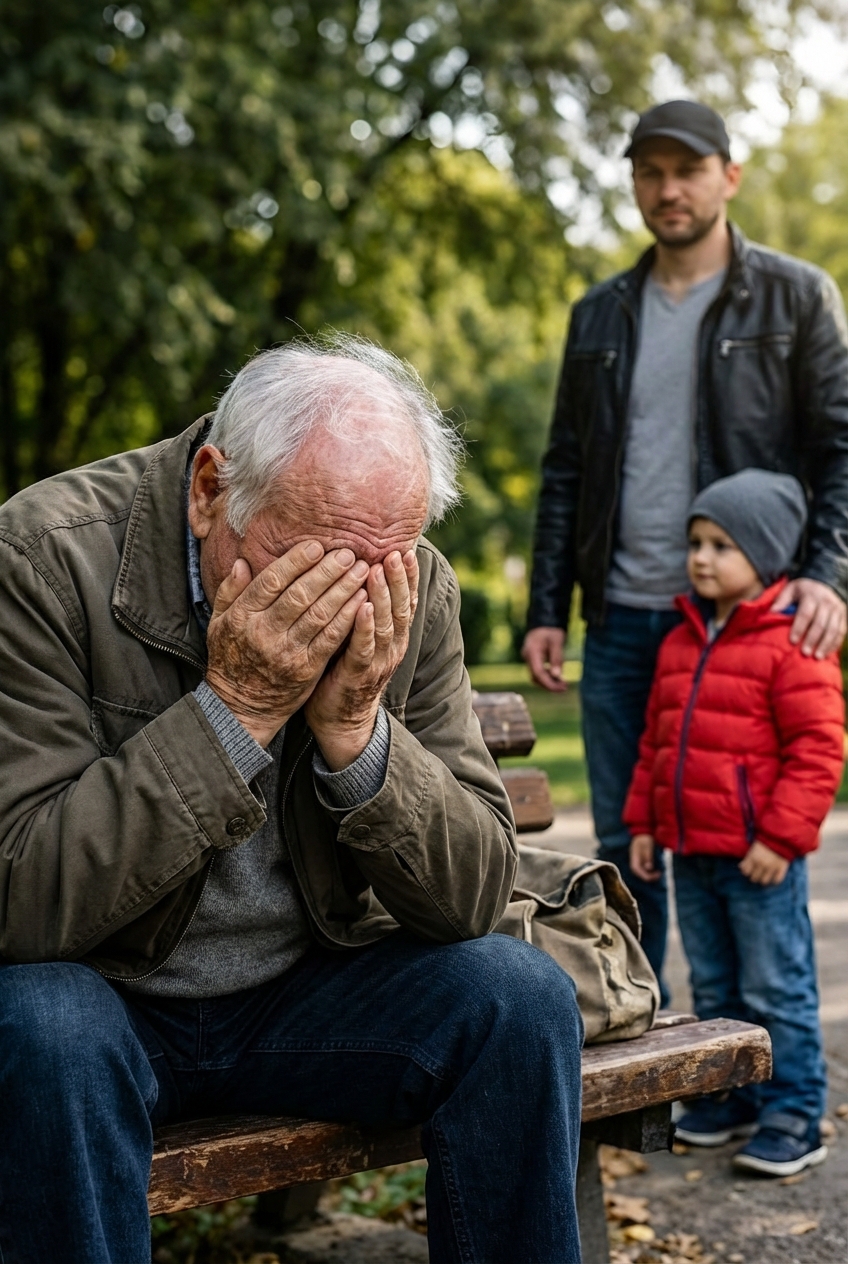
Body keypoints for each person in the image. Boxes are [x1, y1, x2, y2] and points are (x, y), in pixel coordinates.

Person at [0, 335, 584, 1264]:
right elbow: (20, 899)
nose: (348, 604)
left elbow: (475, 896)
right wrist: (235, 711)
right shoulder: (40, 558)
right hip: (105, 1000)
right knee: (41, 1025)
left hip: (303, 1002)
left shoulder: (413, 582)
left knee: (516, 999)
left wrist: (359, 734)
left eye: (378, 564)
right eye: (309, 560)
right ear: (208, 489)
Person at [522, 99, 848, 1000]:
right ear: (633, 183)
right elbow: (564, 470)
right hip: (625, 620)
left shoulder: (796, 296)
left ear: (728, 177)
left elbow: (840, 449)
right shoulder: (598, 315)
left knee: (742, 863)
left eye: (689, 170)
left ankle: (763, 1073)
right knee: (632, 852)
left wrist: (828, 572)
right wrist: (547, 607)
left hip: (742, 630)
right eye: (651, 172)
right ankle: (642, 1049)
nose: (670, 189)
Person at [624, 469, 844, 1177]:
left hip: (759, 857)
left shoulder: (792, 643)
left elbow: (817, 750)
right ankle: (727, 1101)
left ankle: (794, 1111)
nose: (701, 557)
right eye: (696, 541)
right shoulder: (683, 640)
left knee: (777, 984)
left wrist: (781, 838)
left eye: (722, 544)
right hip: (693, 850)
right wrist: (647, 823)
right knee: (714, 984)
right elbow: (657, 743)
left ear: (767, 552)